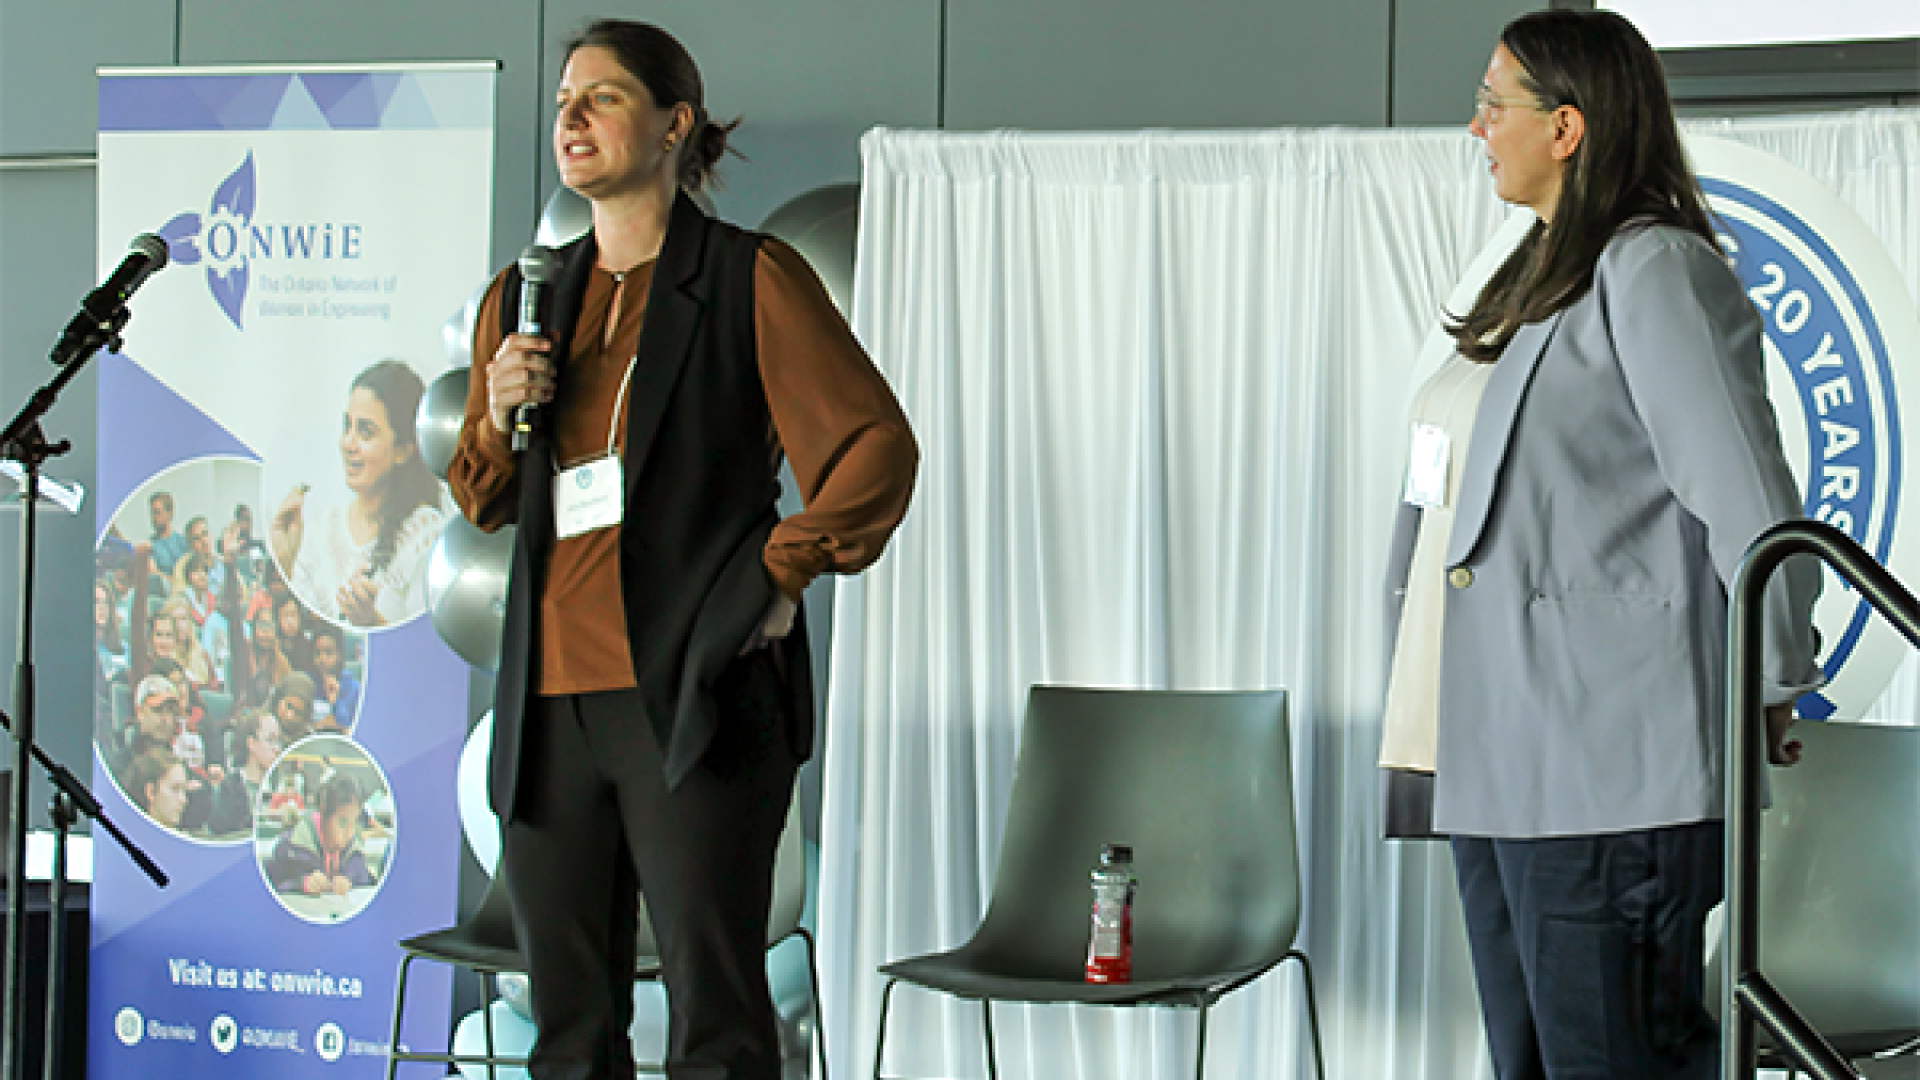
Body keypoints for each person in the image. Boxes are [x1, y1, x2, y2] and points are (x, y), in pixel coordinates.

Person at [447, 20, 917, 1079]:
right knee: (566, 1026)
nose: (570, 116)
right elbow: (484, 497)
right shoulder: (526, 298)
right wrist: (493, 410)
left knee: (716, 1017)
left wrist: (784, 571)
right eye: (564, 98)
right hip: (547, 705)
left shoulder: (750, 278)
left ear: (674, 123)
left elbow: (874, 446)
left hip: (695, 694)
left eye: (601, 97)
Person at [1381, 11, 1823, 1078]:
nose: (1477, 125)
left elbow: (1750, 497)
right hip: (1495, 759)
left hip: (1610, 765)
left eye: (1496, 103)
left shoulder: (1653, 269)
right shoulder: (1535, 279)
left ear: (1568, 127)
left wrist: (1767, 678)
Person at [270, 360, 447, 627]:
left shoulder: (425, 533)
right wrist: (285, 560)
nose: (348, 444)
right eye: (347, 426)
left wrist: (372, 622)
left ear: (403, 449)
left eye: (366, 432)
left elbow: (424, 645)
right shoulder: (323, 529)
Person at [264, 771, 375, 895]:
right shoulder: (290, 848)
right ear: (324, 814)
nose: (349, 833)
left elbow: (364, 880)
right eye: (342, 822)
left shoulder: (354, 852)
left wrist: (350, 881)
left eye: (353, 822)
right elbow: (271, 886)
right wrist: (301, 884)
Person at [209, 710, 283, 836]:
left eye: (278, 741)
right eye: (270, 740)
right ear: (251, 743)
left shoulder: (282, 785)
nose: (277, 749)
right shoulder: (230, 789)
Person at [307, 624, 361, 730]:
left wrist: (336, 701)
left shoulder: (354, 688)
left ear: (340, 655)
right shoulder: (307, 683)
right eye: (317, 653)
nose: (322, 659)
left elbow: (349, 727)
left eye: (328, 653)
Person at [147, 491, 187, 578]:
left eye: (157, 513)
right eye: (152, 513)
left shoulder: (183, 541)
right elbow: (154, 574)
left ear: (170, 513)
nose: (154, 518)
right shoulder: (150, 546)